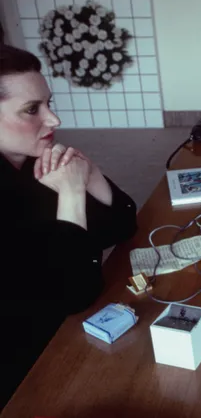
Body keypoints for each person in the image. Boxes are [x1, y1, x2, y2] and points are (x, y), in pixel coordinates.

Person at [0, 44, 137, 409]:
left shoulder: (32, 163)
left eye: (49, 104)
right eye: (32, 109)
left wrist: (89, 174)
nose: (54, 120)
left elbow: (122, 226)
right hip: (27, 373)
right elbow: (72, 293)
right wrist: (72, 193)